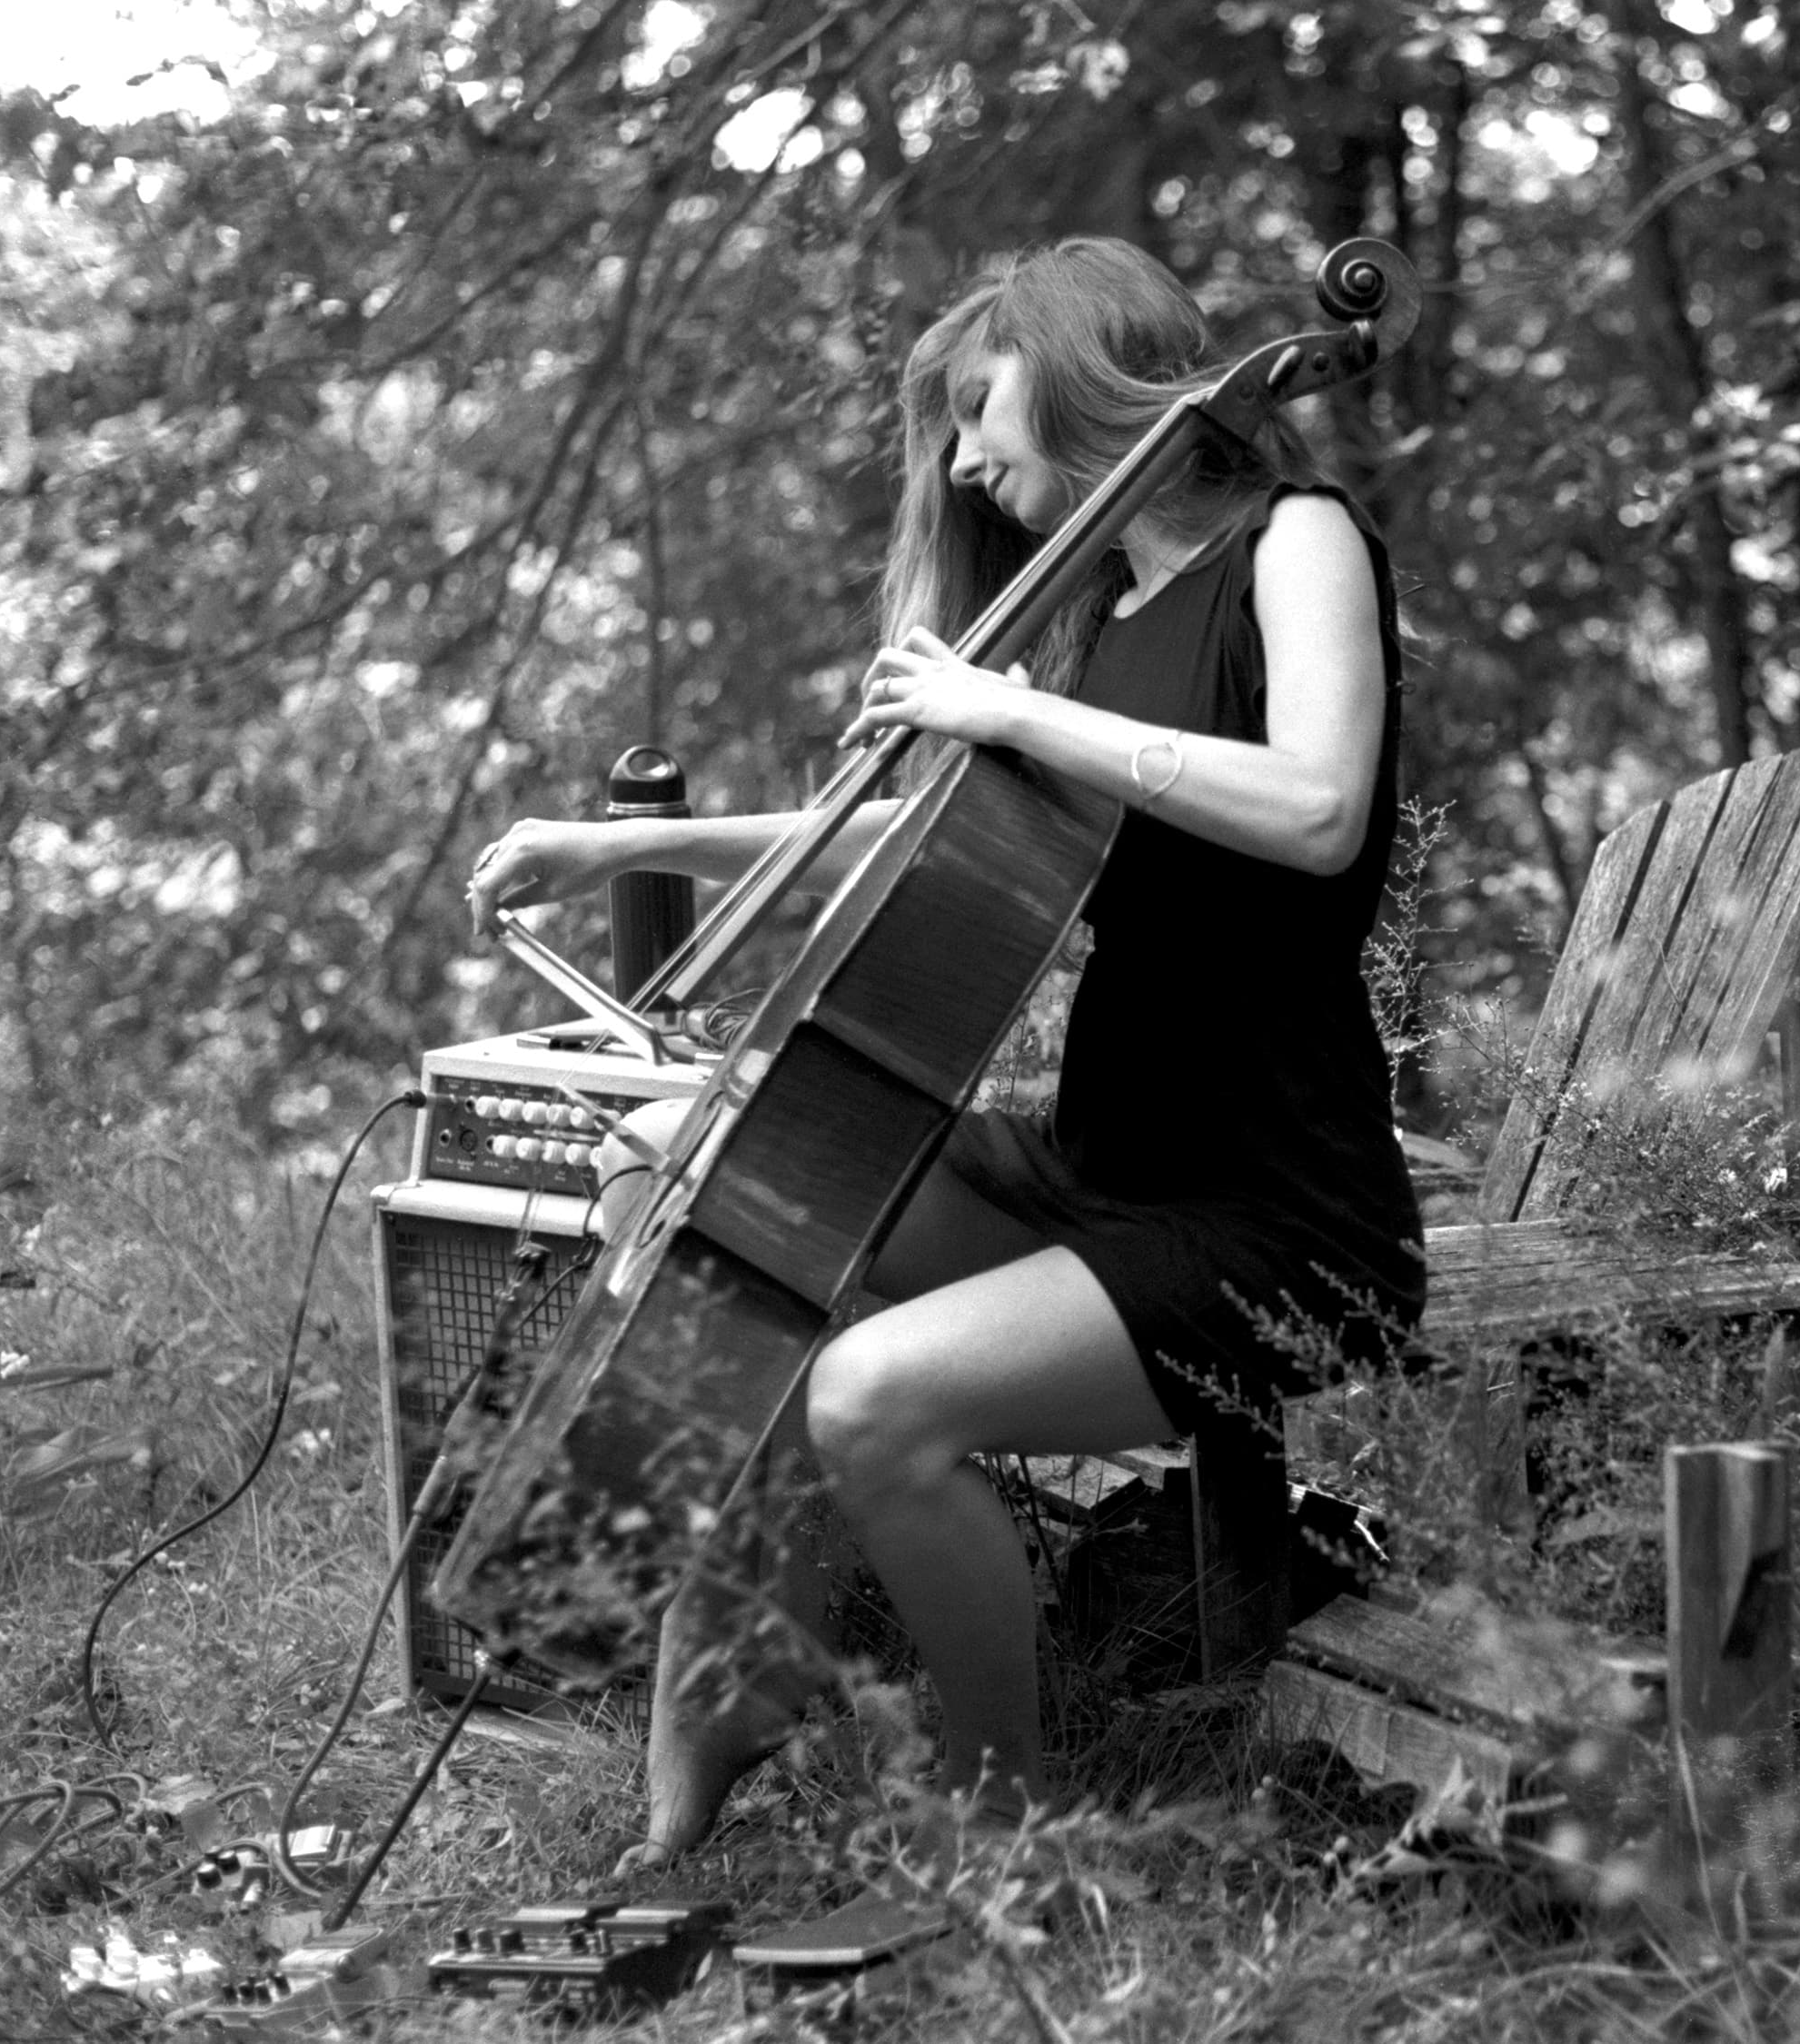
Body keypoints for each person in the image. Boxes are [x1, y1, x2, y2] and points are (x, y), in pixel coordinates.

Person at [460, 236, 1425, 1865]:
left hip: (1277, 1215)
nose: (969, 460)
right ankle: (742, 1661)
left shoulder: (1296, 542)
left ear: (1082, 375)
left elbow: (1321, 810)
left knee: (872, 1392)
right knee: (691, 1180)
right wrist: (620, 850)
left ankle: (1005, 1824)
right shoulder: (1103, 612)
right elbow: (926, 842)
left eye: (984, 412)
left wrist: (1018, 712)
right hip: (1104, 1163)